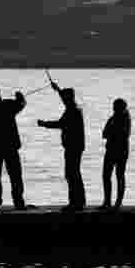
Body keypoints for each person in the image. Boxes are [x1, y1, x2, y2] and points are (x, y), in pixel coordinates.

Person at [38, 78, 86, 211]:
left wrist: (44, 124)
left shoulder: (72, 111)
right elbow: (65, 98)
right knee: (74, 173)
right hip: (76, 146)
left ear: (68, 98)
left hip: (73, 147)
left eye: (64, 98)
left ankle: (75, 203)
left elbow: (60, 124)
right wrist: (57, 89)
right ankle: (79, 202)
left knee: (71, 174)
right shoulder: (74, 107)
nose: (63, 100)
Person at [100, 98, 131, 209]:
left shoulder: (125, 119)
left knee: (119, 176)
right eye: (114, 107)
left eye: (116, 107)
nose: (114, 109)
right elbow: (104, 133)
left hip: (121, 151)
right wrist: (111, 132)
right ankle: (107, 202)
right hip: (111, 150)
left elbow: (123, 134)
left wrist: (111, 133)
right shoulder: (113, 118)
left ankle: (118, 202)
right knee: (106, 176)